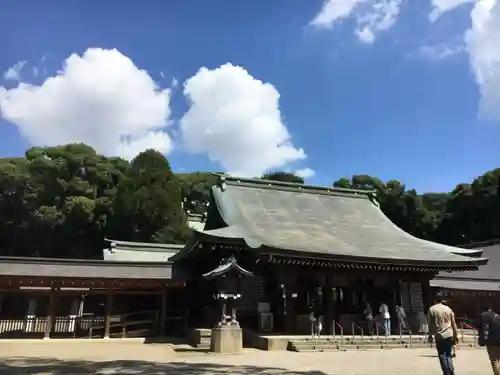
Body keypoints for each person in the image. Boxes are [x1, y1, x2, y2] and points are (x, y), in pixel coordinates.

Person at [427, 299, 458, 375]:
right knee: (448, 354)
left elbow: (430, 324)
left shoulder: (432, 309)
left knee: (442, 355)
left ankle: (446, 372)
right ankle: (451, 371)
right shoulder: (448, 309)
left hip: (439, 334)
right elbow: (454, 324)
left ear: (434, 301)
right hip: (449, 333)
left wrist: (430, 335)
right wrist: (455, 335)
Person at [478, 307, 500, 375]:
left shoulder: (484, 316)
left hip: (492, 342)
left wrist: (482, 340)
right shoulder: (498, 316)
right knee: (498, 360)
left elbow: (485, 329)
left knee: (494, 361)